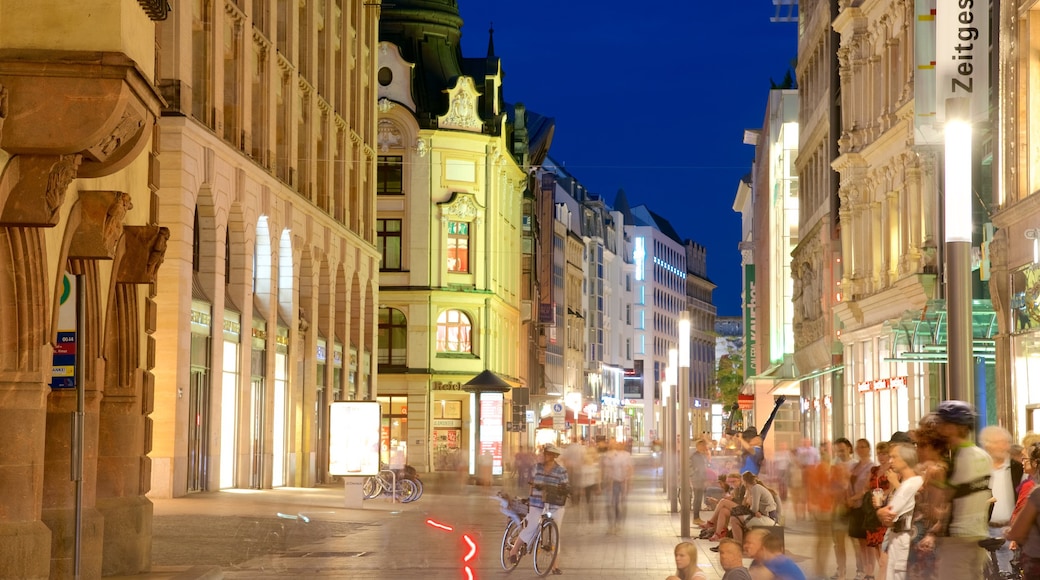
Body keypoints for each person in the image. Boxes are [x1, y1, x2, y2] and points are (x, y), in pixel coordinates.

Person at [933, 400, 991, 579]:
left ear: (953, 427)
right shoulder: (984, 456)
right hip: (978, 534)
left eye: (942, 423)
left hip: (958, 537)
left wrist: (933, 480)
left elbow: (941, 501)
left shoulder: (958, 459)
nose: (939, 429)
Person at [507, 443, 568, 574]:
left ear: (553, 456)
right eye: (545, 454)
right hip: (537, 502)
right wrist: (533, 490)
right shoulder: (537, 467)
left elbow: (565, 485)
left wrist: (566, 489)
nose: (544, 456)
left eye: (547, 454)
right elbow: (530, 481)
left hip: (555, 505)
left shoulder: (561, 471)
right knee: (532, 526)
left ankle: (554, 566)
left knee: (555, 534)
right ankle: (513, 551)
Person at [876, 443, 923, 580]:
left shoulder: (910, 484)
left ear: (906, 459)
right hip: (899, 538)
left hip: (902, 537)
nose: (891, 461)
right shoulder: (911, 483)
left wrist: (879, 512)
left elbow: (889, 514)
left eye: (894, 457)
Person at [980, 425, 1021, 575]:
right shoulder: (980, 468)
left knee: (1009, 572)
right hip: (984, 529)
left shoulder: (1018, 468)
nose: (1003, 446)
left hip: (1010, 529)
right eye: (997, 442)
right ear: (986, 445)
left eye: (1005, 442)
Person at [1006, 442, 1040, 578]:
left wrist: (1009, 532)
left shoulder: (1036, 492)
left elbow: (1017, 531)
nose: (1022, 461)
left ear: (1036, 463)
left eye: (1025, 458)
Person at [728, 471, 779, 546]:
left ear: (744, 481)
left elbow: (754, 508)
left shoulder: (756, 488)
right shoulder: (752, 489)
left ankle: (738, 546)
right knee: (736, 518)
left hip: (770, 518)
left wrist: (755, 511)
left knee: (734, 519)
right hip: (764, 516)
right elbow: (751, 508)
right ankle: (738, 544)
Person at [602, 440, 633, 534]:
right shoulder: (608, 455)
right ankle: (612, 525)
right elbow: (605, 469)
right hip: (610, 482)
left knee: (616, 503)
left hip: (619, 482)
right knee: (609, 504)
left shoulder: (624, 455)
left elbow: (628, 468)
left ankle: (617, 524)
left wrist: (628, 482)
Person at [691, 438, 710, 525]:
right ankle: (695, 517)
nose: (704, 447)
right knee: (697, 499)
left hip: (701, 479)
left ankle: (697, 517)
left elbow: (705, 467)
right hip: (697, 479)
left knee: (699, 499)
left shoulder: (702, 455)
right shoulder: (695, 456)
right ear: (698, 446)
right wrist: (694, 472)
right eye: (703, 445)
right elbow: (693, 467)